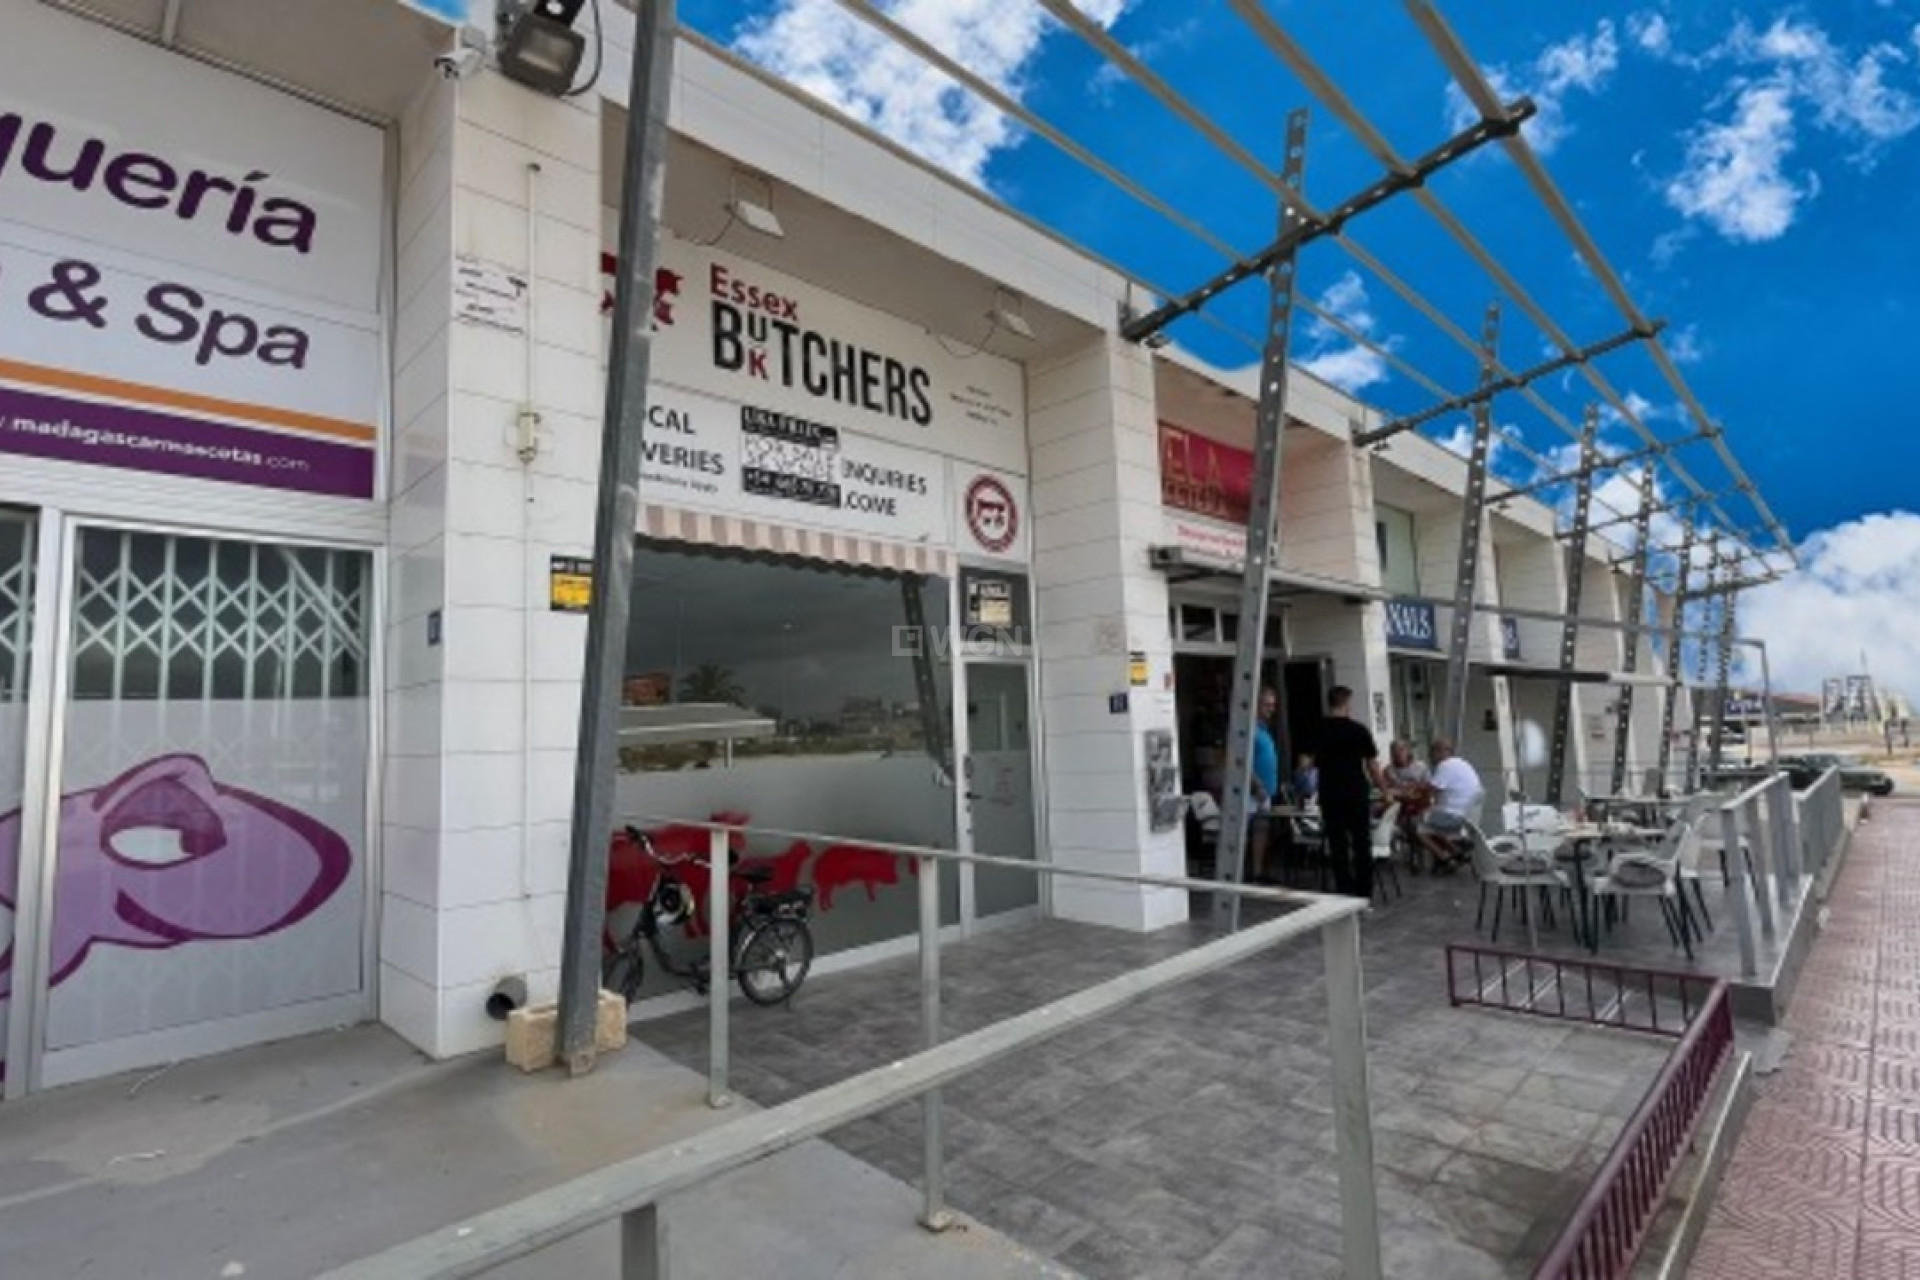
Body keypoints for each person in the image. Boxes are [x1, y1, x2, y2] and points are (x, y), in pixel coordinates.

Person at [1314, 686, 1390, 898]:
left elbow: (1308, 762)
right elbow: (1372, 765)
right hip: (1355, 790)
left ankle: (1344, 890)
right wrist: (1384, 790)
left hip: (1329, 791)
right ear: (1346, 703)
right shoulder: (1358, 730)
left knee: (1337, 844)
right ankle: (1364, 892)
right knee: (1361, 842)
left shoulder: (1318, 729)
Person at [1418, 738, 1485, 872]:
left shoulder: (1445, 765)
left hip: (1455, 816)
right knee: (1432, 820)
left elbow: (1432, 789)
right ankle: (1457, 851)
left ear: (1440, 752)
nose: (1430, 756)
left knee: (1419, 827)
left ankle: (1445, 858)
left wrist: (1418, 793)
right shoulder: (1462, 763)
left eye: (1432, 752)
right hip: (1467, 815)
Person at [1247, 686, 1281, 881]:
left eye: (1273, 705)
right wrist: (1257, 785)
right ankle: (1245, 872)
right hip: (1252, 791)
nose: (1271, 709)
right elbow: (1242, 762)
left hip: (1265, 792)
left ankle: (1257, 872)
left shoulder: (1264, 729)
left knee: (1262, 831)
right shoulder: (1249, 730)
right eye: (1267, 705)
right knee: (1249, 831)